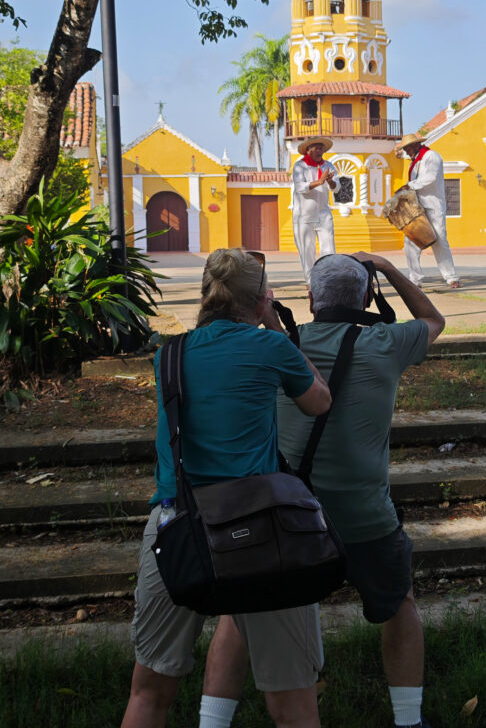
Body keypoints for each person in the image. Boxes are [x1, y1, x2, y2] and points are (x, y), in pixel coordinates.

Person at [120, 248, 332, 728]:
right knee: (294, 704)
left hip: (178, 527)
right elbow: (319, 401)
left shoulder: (168, 355)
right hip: (259, 531)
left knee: (149, 690)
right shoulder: (271, 347)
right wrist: (276, 327)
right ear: (260, 300)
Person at [278, 252, 445, 728]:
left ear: (310, 300)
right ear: (369, 297)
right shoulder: (388, 342)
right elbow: (434, 319)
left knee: (264, 611)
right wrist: (389, 269)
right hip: (367, 517)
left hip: (295, 516)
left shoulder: (283, 348)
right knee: (399, 604)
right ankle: (408, 721)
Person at [397, 133, 461, 289]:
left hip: (433, 205)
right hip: (417, 206)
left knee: (439, 239)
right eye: (405, 149)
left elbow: (430, 177)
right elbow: (406, 161)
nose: (407, 152)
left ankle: (451, 277)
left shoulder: (431, 156)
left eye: (409, 148)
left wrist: (409, 185)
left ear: (416, 145)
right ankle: (415, 279)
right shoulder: (416, 160)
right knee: (411, 242)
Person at [292, 136, 340, 283]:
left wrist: (330, 181)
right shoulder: (299, 166)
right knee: (307, 250)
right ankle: (311, 282)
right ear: (308, 150)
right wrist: (320, 181)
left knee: (329, 249)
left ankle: (329, 279)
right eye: (316, 148)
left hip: (323, 213)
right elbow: (300, 187)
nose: (320, 150)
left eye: (321, 148)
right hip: (303, 215)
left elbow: (336, 188)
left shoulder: (329, 166)